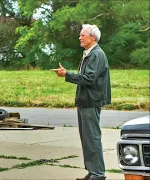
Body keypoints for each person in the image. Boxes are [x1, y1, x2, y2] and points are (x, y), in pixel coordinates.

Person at [51, 24, 111, 180]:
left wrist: (67, 74)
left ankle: (98, 174)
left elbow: (89, 78)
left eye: (82, 35)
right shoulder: (89, 53)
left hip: (91, 102)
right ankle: (93, 172)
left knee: (92, 138)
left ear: (93, 37)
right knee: (87, 138)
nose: (80, 37)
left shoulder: (96, 54)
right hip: (86, 101)